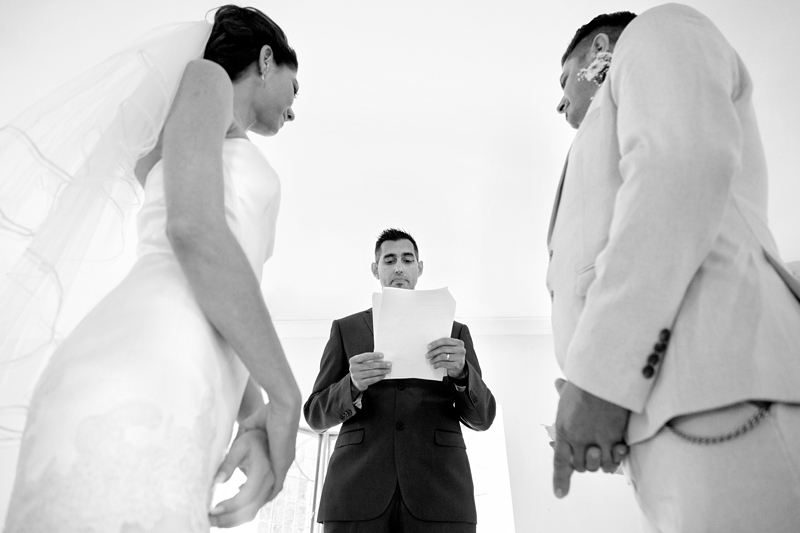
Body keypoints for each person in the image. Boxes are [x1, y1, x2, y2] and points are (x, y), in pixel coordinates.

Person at [2, 6, 302, 531]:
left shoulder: (200, 139)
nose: (295, 110)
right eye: (294, 90)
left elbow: (218, 285)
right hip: (145, 357)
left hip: (185, 371)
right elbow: (193, 233)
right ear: (266, 59)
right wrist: (285, 395)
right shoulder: (206, 80)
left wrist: (249, 409)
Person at [547, 4, 800, 532]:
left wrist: (596, 381)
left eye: (564, 78)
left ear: (598, 49)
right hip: (657, 427)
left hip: (727, 392)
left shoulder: (658, 30)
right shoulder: (593, 144)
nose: (561, 101)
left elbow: (679, 166)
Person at [304, 228, 496, 532]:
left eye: (407, 260)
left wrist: (463, 375)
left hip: (440, 493)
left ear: (419, 268)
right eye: (389, 260)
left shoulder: (455, 332)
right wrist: (351, 385)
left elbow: (482, 418)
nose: (398, 268)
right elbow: (315, 415)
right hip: (355, 492)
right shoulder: (346, 329)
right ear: (375, 269)